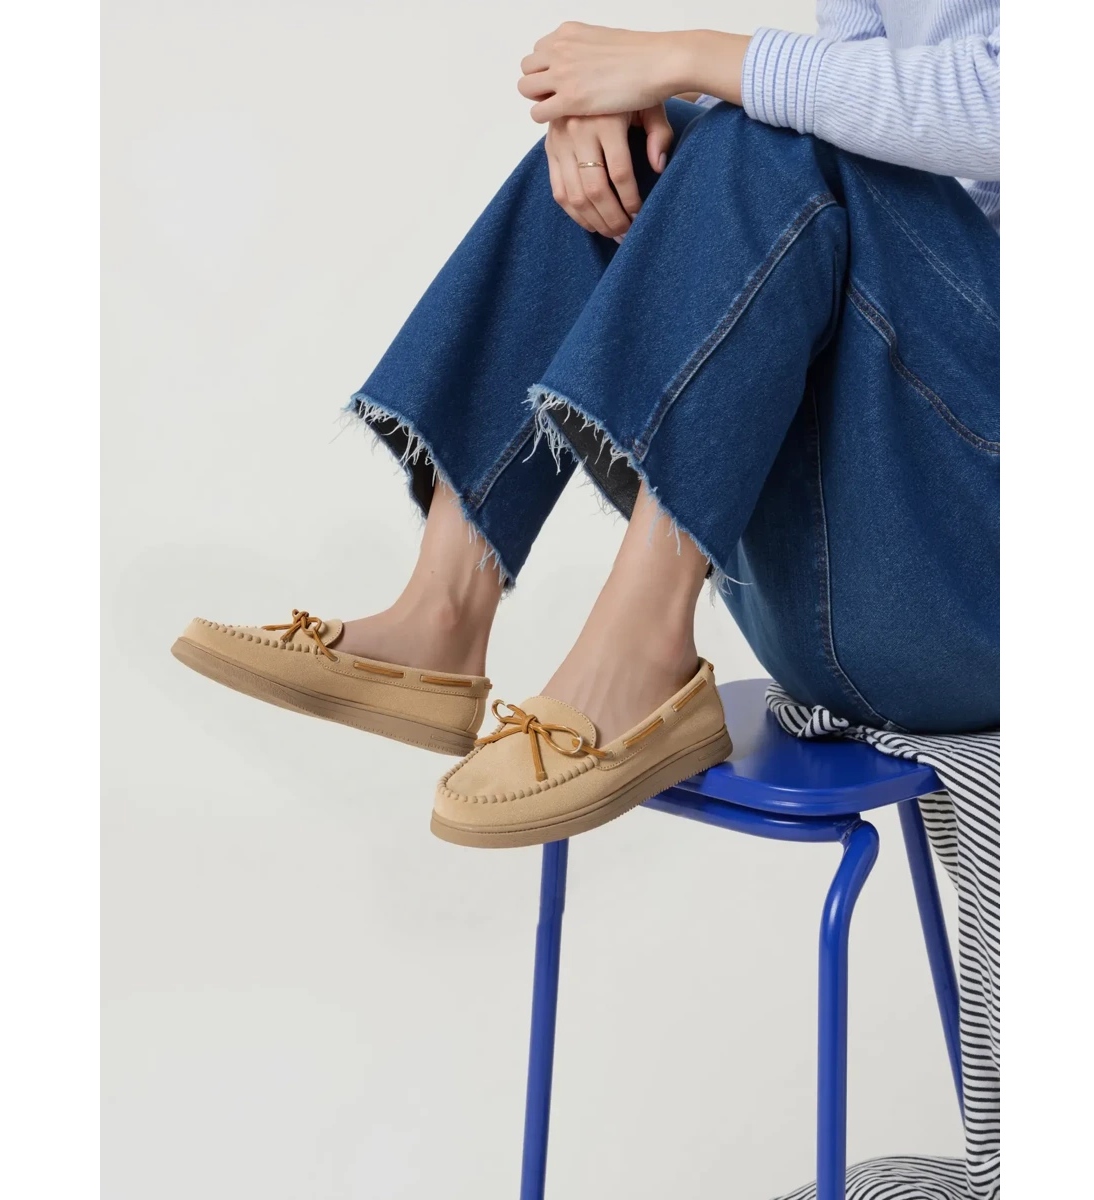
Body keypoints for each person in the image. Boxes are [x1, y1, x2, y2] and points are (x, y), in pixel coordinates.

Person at [173, 6, 999, 851]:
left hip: (980, 588)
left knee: (763, 133)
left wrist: (681, 58)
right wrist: (623, 102)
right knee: (639, 149)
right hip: (872, 575)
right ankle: (441, 612)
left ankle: (641, 652)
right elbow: (864, 110)